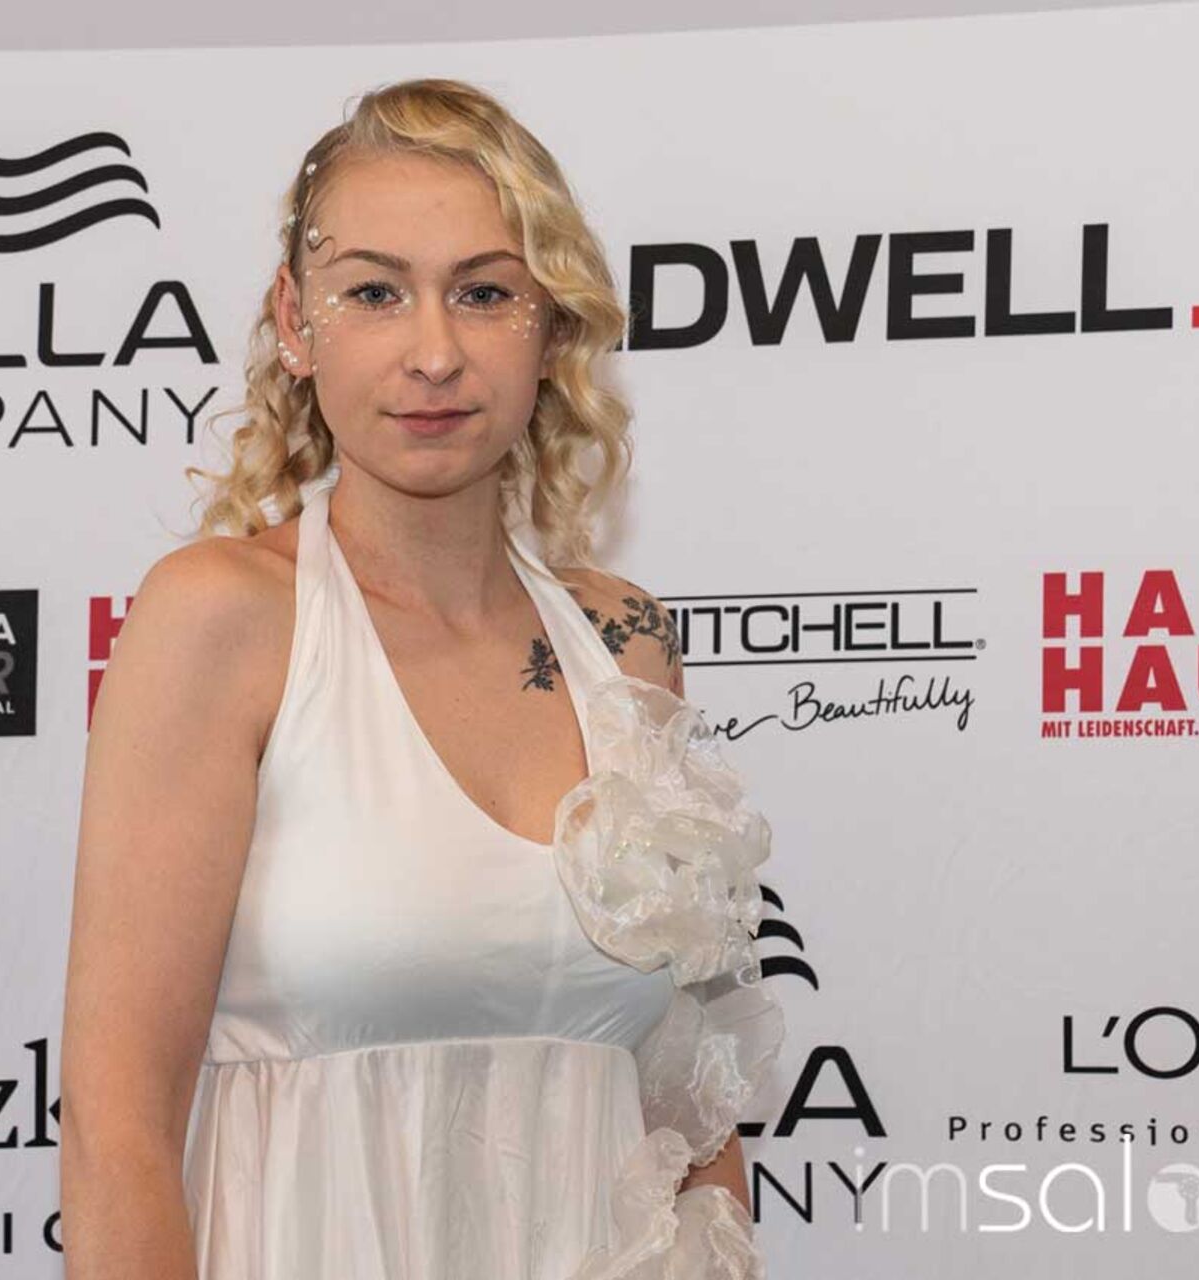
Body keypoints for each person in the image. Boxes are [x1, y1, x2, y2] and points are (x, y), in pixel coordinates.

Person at [60, 78, 783, 1279]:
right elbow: (116, 1122)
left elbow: (692, 1117)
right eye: (375, 292)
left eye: (486, 293)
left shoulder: (626, 642)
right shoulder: (221, 619)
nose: (434, 352)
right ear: (297, 322)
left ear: (551, 331)